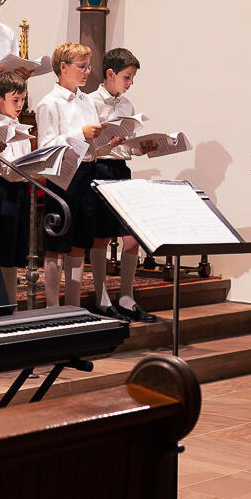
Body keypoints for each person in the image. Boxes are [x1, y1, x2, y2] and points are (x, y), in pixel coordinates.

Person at [35, 42, 104, 308]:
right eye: (82, 66)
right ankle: (53, 307)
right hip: (63, 174)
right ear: (63, 67)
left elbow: (91, 141)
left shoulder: (86, 100)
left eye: (88, 67)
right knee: (57, 240)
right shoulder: (49, 103)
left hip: (87, 170)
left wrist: (108, 139)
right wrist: (80, 134)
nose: (87, 72)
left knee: (81, 241)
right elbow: (47, 146)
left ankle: (74, 305)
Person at [87, 48, 151, 321]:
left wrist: (142, 146)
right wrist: (106, 143)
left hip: (121, 169)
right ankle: (101, 297)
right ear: (110, 74)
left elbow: (127, 145)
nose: (130, 83)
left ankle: (126, 297)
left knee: (131, 236)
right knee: (101, 235)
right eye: (127, 77)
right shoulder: (89, 102)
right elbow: (88, 145)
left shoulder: (127, 105)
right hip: (98, 167)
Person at [0, 72, 34, 305]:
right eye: (15, 100)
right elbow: (6, 169)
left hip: (20, 191)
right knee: (1, 251)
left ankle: (10, 304)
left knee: (14, 254)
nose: (20, 105)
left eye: (23, 100)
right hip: (1, 193)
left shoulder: (19, 127)